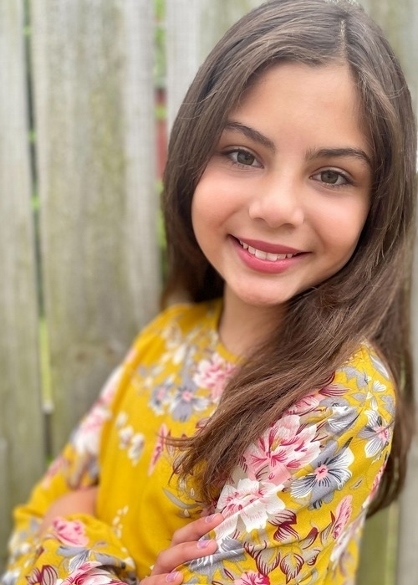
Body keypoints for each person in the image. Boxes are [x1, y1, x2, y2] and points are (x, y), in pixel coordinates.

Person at [2, 0, 416, 584]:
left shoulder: (342, 401)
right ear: (193, 161)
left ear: (376, 207)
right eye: (242, 154)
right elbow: (28, 526)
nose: (275, 207)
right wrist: (63, 527)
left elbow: (48, 530)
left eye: (331, 175)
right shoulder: (168, 339)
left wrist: (68, 530)